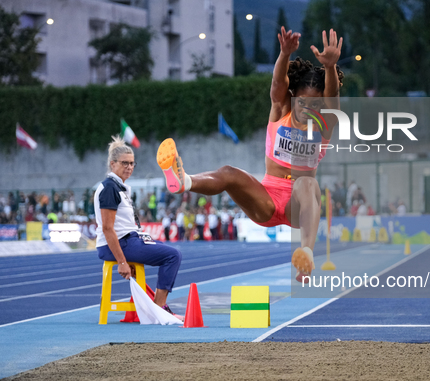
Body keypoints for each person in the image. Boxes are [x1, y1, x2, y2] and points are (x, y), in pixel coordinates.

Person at [156, 27, 344, 282]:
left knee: (308, 182)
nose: (308, 109)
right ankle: (184, 182)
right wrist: (284, 54)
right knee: (229, 172)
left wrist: (330, 67)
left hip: (298, 206)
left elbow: (332, 97)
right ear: (294, 98)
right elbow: (278, 83)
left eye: (315, 104)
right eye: (302, 102)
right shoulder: (280, 111)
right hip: (266, 199)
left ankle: (306, 257)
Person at [95, 136, 183, 319]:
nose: (129, 167)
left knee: (169, 252)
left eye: (132, 163)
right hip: (119, 243)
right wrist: (122, 261)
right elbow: (107, 229)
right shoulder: (110, 188)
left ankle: (157, 308)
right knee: (172, 255)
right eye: (124, 163)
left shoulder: (120, 187)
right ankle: (158, 310)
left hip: (128, 240)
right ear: (112, 164)